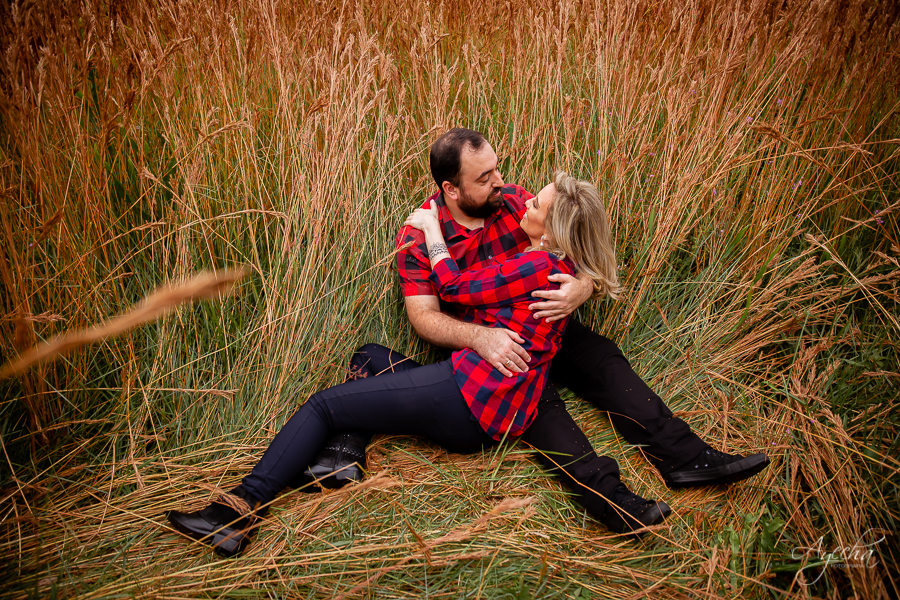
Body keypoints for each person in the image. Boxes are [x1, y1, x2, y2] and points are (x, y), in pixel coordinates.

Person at [167, 172, 672, 557]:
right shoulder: (564, 265)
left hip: (470, 400)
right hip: (519, 396)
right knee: (372, 359)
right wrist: (585, 279)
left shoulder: (535, 264)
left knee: (324, 406)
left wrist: (430, 228)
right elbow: (569, 237)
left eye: (537, 202)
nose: (523, 197)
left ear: (552, 225)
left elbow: (450, 286)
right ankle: (629, 511)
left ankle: (236, 513)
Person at [307, 128, 769, 518]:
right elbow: (425, 317)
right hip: (489, 346)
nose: (502, 183)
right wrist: (482, 338)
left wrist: (582, 287)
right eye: (485, 177)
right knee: (543, 408)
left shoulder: (513, 203)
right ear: (452, 189)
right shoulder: (419, 234)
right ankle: (615, 501)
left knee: (603, 358)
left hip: (546, 324)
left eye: (497, 169)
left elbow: (569, 235)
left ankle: (686, 458)